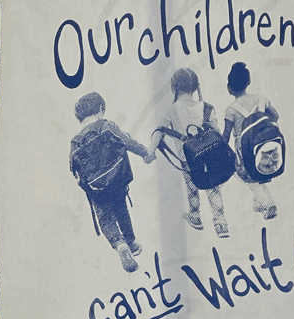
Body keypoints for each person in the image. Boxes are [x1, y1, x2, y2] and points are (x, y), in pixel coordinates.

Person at [69, 91, 156, 273]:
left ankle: (119, 245)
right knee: (121, 208)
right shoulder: (106, 125)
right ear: (100, 109)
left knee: (105, 217)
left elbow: (74, 169)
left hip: (95, 188)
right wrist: (146, 153)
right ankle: (131, 241)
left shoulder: (75, 141)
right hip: (117, 179)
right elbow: (127, 141)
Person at [153, 68, 230, 238]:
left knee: (192, 187)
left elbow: (159, 131)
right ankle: (220, 223)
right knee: (213, 188)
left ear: (175, 88)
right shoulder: (207, 107)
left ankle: (195, 216)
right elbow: (217, 132)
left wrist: (151, 151)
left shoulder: (171, 110)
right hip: (210, 157)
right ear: (196, 87)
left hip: (187, 160)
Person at [222, 61, 280, 219]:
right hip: (266, 148)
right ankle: (258, 201)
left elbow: (226, 135)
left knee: (241, 173)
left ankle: (268, 204)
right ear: (248, 82)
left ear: (229, 88)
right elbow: (275, 116)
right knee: (256, 172)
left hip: (245, 153)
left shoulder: (231, 109)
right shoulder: (261, 98)